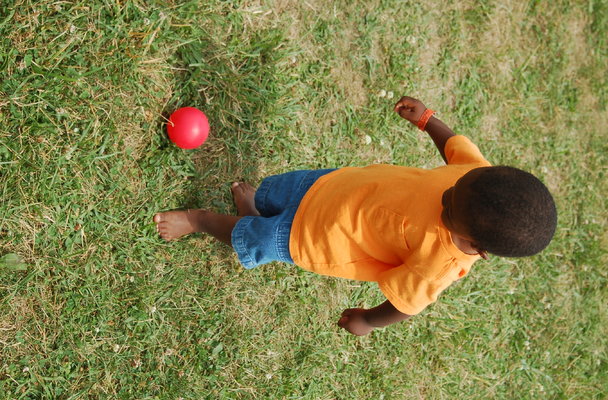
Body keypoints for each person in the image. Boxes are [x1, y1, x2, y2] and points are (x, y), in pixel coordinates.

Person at [154, 96, 557, 336]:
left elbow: (405, 305)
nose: (448, 192)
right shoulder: (477, 179)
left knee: (258, 240)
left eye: (449, 207)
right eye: (457, 184)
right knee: (275, 194)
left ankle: (200, 220)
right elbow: (454, 148)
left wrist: (368, 320)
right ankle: (254, 212)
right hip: (334, 186)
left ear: (478, 247)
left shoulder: (439, 265)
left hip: (320, 237)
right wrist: (426, 119)